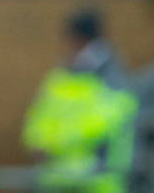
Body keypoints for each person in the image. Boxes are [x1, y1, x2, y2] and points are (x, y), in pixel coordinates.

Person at [21, 11, 138, 193]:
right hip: (59, 180)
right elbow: (37, 119)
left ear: (78, 37)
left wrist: (52, 142)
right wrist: (38, 141)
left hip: (97, 179)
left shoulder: (109, 74)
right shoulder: (63, 73)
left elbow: (110, 119)